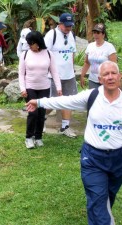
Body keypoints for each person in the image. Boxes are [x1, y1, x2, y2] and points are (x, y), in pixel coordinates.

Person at [26, 61, 122, 225]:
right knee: (98, 200)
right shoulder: (92, 96)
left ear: (120, 77)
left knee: (106, 198)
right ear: (99, 78)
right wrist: (40, 102)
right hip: (93, 159)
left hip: (118, 160)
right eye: (106, 74)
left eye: (113, 73)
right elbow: (65, 101)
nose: (110, 77)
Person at [19, 31, 62, 149]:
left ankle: (38, 137)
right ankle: (29, 137)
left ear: (37, 42)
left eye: (31, 43)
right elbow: (21, 73)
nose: (29, 46)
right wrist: (23, 88)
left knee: (41, 113)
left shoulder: (48, 54)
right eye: (28, 44)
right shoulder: (25, 54)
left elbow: (54, 72)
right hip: (30, 87)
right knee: (33, 113)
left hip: (44, 87)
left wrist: (59, 87)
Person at [44, 12, 77, 138]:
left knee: (68, 102)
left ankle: (65, 127)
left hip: (69, 75)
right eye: (66, 26)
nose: (69, 28)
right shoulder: (51, 35)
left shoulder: (71, 35)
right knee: (52, 103)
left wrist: (72, 68)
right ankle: (42, 118)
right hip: (53, 76)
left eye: (70, 26)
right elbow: (44, 53)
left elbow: (72, 53)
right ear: (60, 24)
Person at [80, 23, 117, 89]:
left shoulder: (109, 47)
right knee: (93, 98)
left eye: (98, 33)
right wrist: (82, 75)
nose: (95, 35)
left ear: (103, 34)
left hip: (106, 80)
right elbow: (87, 62)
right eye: (94, 33)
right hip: (93, 80)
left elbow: (114, 66)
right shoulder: (90, 46)